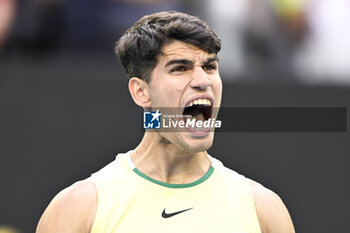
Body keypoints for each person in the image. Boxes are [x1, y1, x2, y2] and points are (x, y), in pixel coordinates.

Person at [36, 11, 295, 233]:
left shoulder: (263, 210)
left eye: (210, 67)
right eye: (180, 68)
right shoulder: (77, 210)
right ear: (141, 91)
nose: (202, 81)